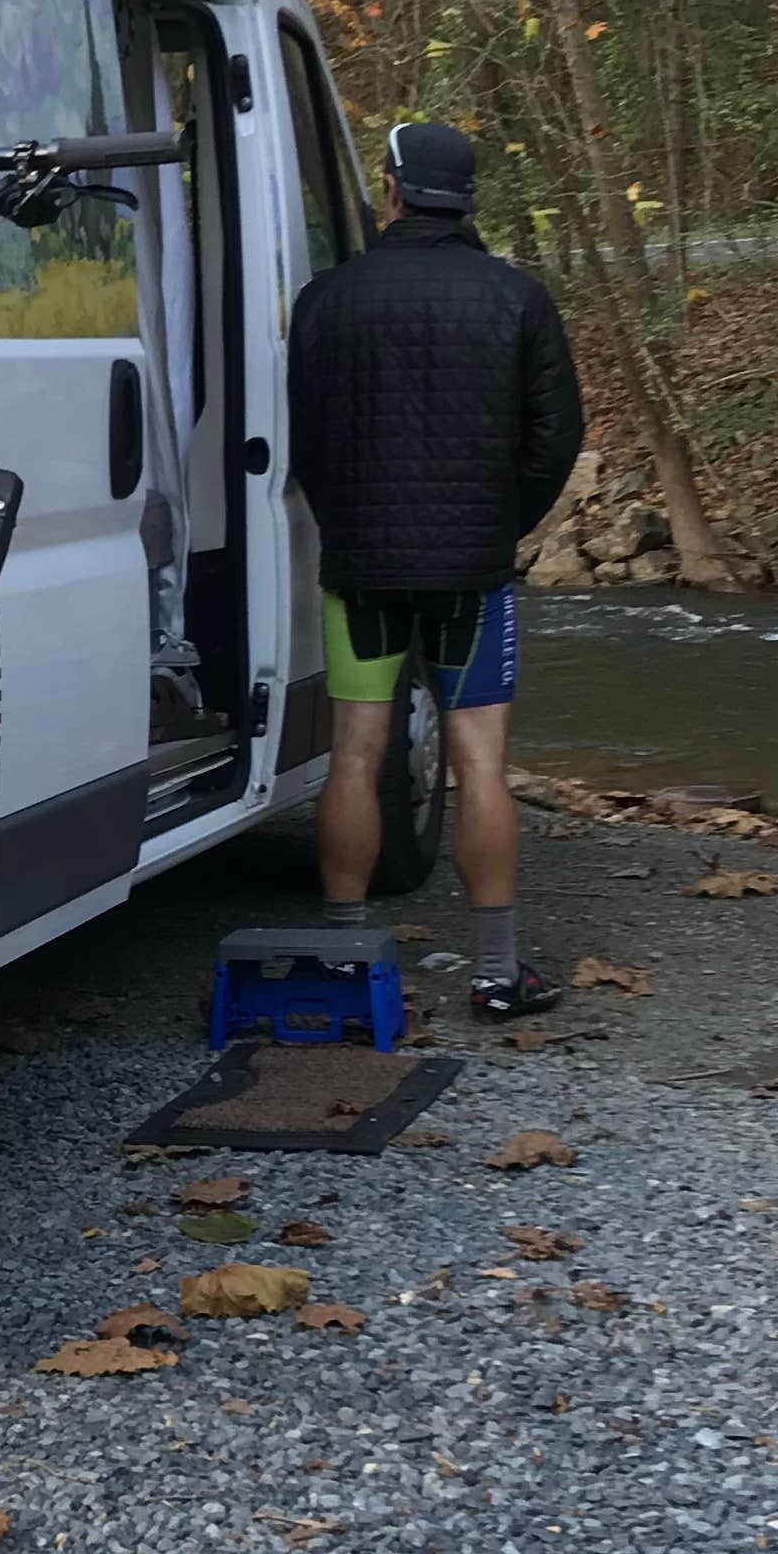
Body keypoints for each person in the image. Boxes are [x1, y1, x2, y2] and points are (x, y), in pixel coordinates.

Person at [286, 116, 585, 1017]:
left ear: (391, 189)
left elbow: (309, 441)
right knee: (481, 762)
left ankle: (344, 961)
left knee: (355, 754)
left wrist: (349, 524)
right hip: (472, 573)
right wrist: (499, 524)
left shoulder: (324, 301)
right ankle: (496, 973)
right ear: (467, 197)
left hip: (363, 566)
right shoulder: (516, 297)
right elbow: (557, 437)